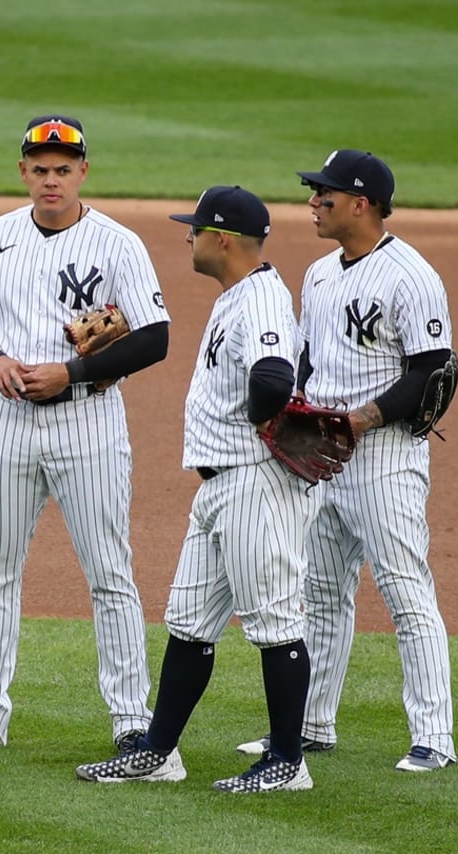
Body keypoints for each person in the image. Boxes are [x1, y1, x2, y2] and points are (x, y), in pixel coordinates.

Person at [0, 115, 170, 752]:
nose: (51, 180)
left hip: (87, 422)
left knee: (109, 573)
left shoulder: (117, 243)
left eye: (64, 169)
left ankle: (129, 720)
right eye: (40, 169)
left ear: (84, 171)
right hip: (5, 423)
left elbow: (155, 337)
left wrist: (75, 371)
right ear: (23, 172)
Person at [75, 186, 316, 793]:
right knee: (188, 622)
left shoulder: (261, 300)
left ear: (224, 240)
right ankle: (158, 752)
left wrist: (265, 421)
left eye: (197, 228)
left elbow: (273, 377)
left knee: (275, 623)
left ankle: (288, 761)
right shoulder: (237, 296)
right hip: (219, 490)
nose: (189, 236)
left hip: (254, 485)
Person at [235, 149, 458, 772]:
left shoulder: (411, 275)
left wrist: (360, 419)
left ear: (361, 203)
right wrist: (298, 415)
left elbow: (431, 369)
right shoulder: (320, 275)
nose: (313, 202)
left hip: (385, 457)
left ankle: (434, 738)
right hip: (322, 455)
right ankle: (311, 727)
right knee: (322, 592)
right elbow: (307, 360)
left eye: (324, 194)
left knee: (405, 590)